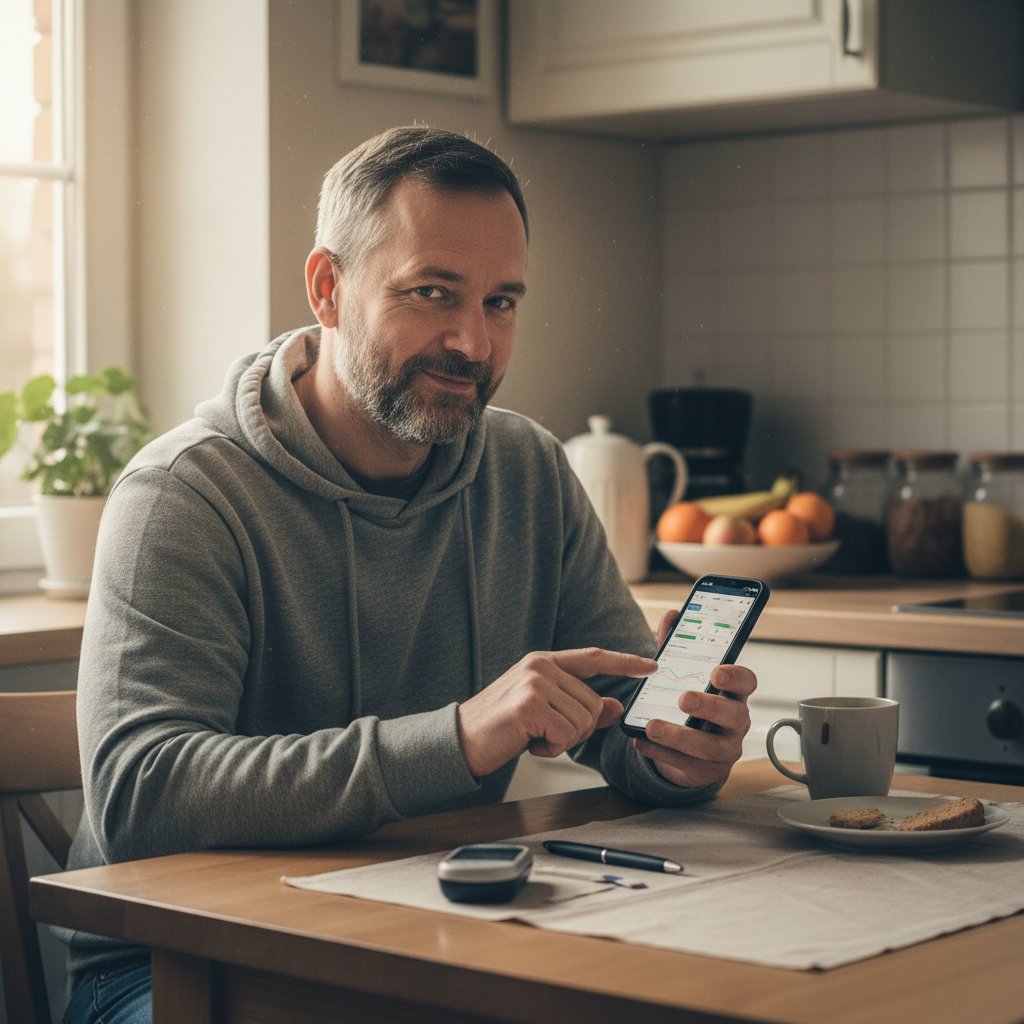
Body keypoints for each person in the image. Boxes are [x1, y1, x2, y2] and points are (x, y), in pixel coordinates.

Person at [61, 125, 757, 1024]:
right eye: (432, 293)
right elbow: (140, 796)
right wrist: (458, 738)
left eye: (502, 302)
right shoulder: (184, 496)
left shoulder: (529, 473)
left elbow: (623, 724)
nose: (472, 343)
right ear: (327, 289)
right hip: (171, 965)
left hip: (432, 935)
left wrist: (682, 753)